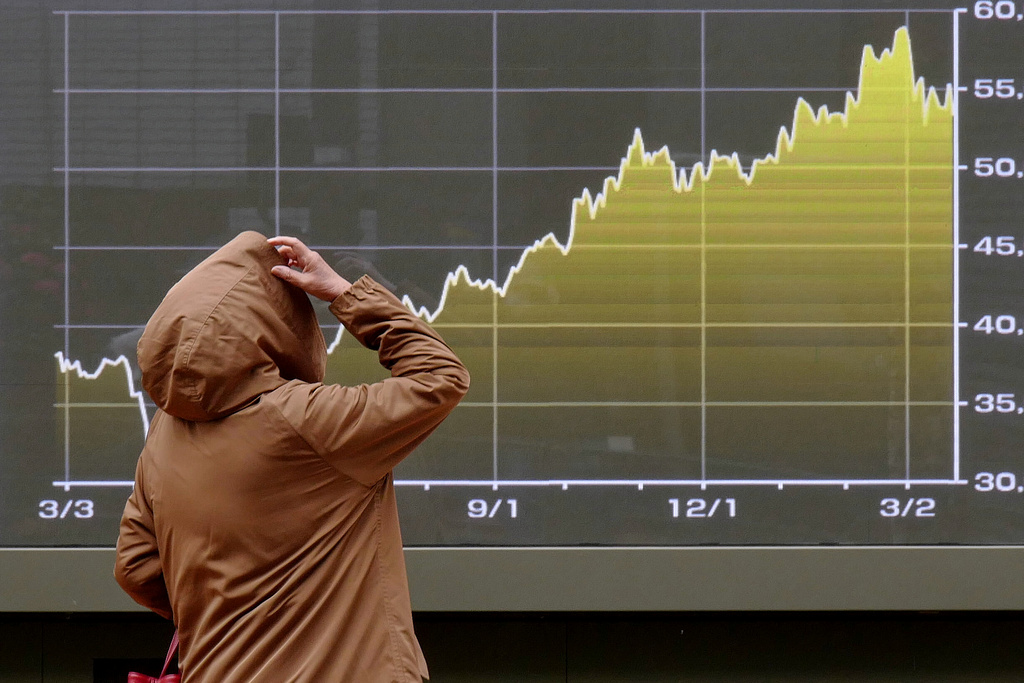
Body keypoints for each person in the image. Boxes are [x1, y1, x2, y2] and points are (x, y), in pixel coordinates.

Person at [114, 231, 470, 682]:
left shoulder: (164, 433)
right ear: (275, 325)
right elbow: (439, 377)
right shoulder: (310, 421)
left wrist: (233, 610)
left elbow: (136, 567)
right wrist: (344, 293)